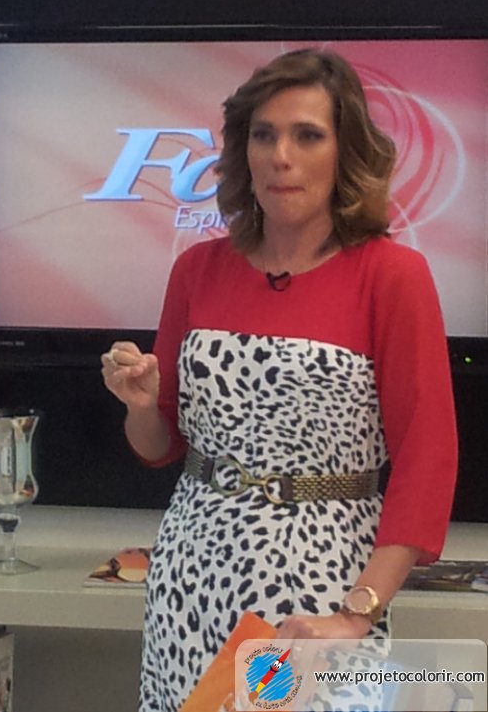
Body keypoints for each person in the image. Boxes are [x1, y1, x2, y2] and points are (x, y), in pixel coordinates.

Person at [101, 49, 458, 712]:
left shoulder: (391, 275)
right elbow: (161, 445)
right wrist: (141, 405)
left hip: (321, 587)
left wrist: (358, 612)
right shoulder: (198, 269)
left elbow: (428, 456)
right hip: (190, 575)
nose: (280, 156)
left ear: (345, 151)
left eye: (307, 135)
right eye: (263, 135)